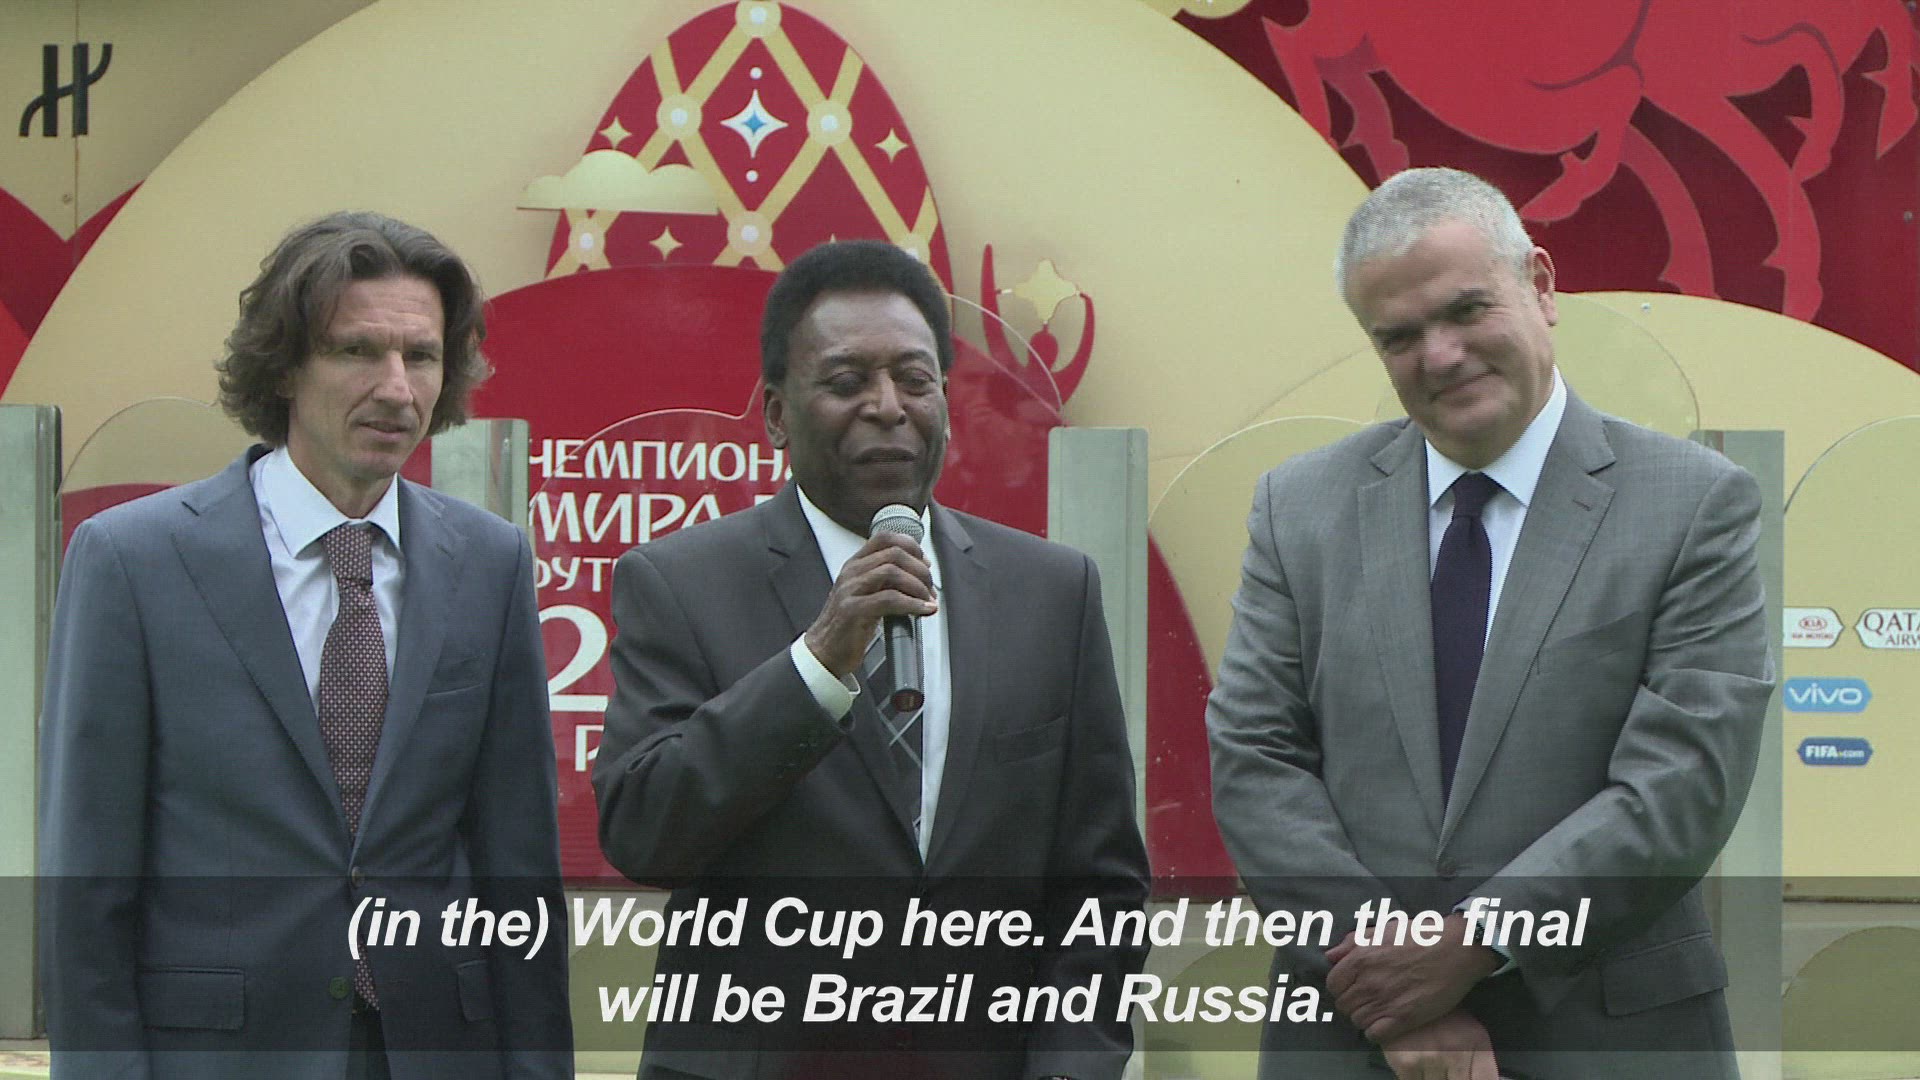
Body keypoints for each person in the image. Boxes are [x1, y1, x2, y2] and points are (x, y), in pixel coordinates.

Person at [1206, 168, 1773, 1080]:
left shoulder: (1692, 504)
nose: (1440, 356)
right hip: (1359, 1037)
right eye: (1399, 337)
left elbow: (1684, 782)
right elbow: (1255, 759)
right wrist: (1391, 990)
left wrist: (1474, 944)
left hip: (1609, 1039)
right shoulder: (1298, 508)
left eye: (1466, 311)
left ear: (1541, 286)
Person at [593, 238, 1150, 1080]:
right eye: (848, 381)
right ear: (777, 415)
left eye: (915, 379)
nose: (887, 407)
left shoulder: (1051, 591)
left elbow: (1099, 887)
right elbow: (644, 833)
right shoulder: (680, 583)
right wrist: (816, 665)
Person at [37, 211, 572, 1080]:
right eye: (358, 351)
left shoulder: (490, 561)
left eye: (421, 356)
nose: (396, 387)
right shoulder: (133, 560)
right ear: (285, 364)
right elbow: (86, 885)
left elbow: (520, 873)